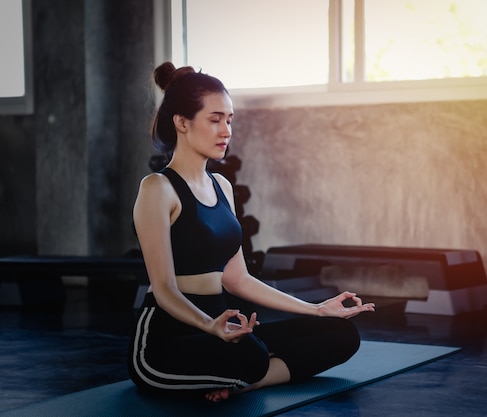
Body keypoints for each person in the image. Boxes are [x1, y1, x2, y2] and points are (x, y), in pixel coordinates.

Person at [128, 62, 375, 402]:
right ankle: (246, 372)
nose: (226, 130)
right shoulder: (158, 188)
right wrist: (209, 326)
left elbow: (238, 280)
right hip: (168, 337)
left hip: (223, 325)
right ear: (183, 122)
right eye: (215, 120)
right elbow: (165, 289)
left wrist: (317, 309)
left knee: (340, 334)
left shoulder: (222, 187)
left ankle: (246, 381)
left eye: (229, 120)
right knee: (251, 356)